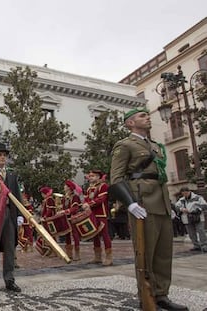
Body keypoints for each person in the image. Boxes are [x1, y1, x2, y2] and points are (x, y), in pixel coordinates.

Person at [110, 107, 188, 311]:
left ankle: (162, 295)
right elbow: (116, 178)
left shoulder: (155, 146)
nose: (147, 118)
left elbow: (160, 177)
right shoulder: (125, 145)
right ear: (130, 123)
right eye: (142, 116)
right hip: (142, 203)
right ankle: (146, 296)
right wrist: (131, 203)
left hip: (160, 202)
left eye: (147, 115)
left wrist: (168, 204)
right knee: (146, 254)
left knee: (163, 253)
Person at [0, 143, 23, 294]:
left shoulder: (12, 175)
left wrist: (20, 215)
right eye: (0, 155)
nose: (3, 157)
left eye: (5, 155)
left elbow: (17, 195)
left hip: (9, 213)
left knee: (10, 248)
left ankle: (9, 280)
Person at [83, 170, 112, 266]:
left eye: (93, 176)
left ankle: (109, 257)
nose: (90, 177)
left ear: (99, 177)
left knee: (105, 235)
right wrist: (84, 204)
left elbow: (101, 199)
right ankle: (97, 257)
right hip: (92, 214)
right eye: (90, 176)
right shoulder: (89, 188)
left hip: (101, 213)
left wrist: (89, 204)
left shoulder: (103, 186)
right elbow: (86, 199)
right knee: (94, 235)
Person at [175, 187, 207, 252]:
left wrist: (196, 210)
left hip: (198, 217)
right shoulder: (181, 200)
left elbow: (204, 205)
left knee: (201, 231)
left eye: (186, 193)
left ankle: (204, 245)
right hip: (187, 218)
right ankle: (196, 245)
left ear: (189, 191)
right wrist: (182, 209)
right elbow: (176, 206)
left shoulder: (198, 197)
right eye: (183, 194)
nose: (185, 195)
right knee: (191, 233)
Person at [62, 180, 81, 261]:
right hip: (66, 219)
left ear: (69, 188)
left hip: (73, 218)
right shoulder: (64, 197)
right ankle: (69, 253)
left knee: (75, 235)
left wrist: (66, 211)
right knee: (67, 235)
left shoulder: (75, 197)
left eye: (65, 186)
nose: (64, 187)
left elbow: (75, 208)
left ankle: (77, 253)